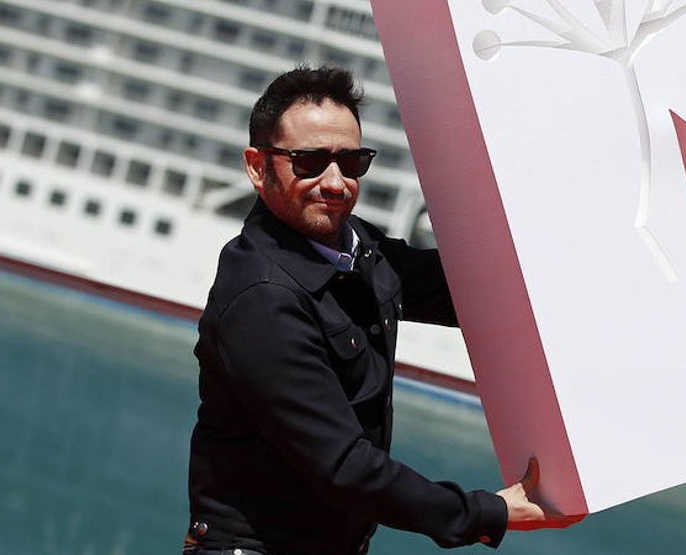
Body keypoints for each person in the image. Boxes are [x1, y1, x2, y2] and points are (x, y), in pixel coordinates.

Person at [186, 66, 566, 555]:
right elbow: (343, 466)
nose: (336, 182)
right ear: (258, 167)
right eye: (309, 162)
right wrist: (486, 513)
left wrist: (567, 257)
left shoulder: (356, 246)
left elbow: (467, 293)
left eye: (352, 162)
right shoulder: (262, 298)